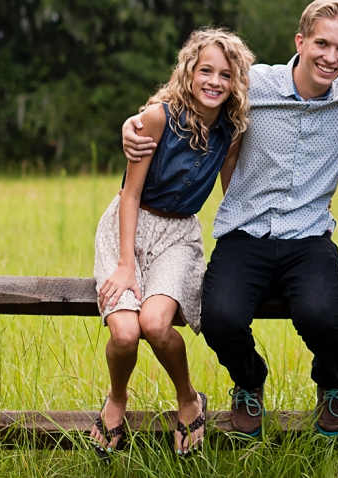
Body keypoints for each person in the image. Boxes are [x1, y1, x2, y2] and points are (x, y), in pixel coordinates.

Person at [122, 0, 338, 437]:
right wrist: (133, 123)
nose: (331, 57)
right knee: (221, 319)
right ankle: (249, 381)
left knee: (323, 316)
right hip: (244, 231)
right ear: (301, 41)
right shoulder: (252, 86)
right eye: (322, 44)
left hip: (308, 235)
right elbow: (189, 96)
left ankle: (332, 383)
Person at [92, 28, 253, 458]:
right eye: (206, 71)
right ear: (189, 70)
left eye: (226, 74)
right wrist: (126, 264)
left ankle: (188, 399)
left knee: (157, 324)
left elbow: (232, 191)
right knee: (125, 334)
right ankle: (117, 398)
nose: (215, 82)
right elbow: (130, 194)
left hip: (179, 234)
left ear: (236, 80)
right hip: (129, 227)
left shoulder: (232, 128)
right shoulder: (157, 118)